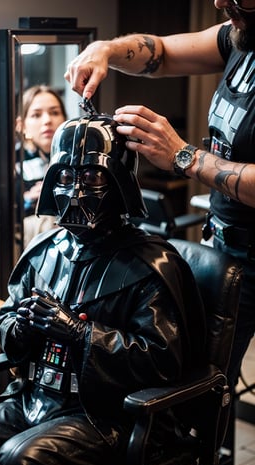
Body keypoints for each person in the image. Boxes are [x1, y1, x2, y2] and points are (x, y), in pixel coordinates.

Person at [0, 112, 207, 465]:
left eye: (91, 176)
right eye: (66, 177)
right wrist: (21, 327)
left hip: (105, 411)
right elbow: (6, 322)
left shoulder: (151, 265)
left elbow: (162, 360)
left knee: (19, 461)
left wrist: (81, 333)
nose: (75, 191)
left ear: (118, 182)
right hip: (35, 396)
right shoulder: (42, 251)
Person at [64, 0, 255, 402]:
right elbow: (162, 54)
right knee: (201, 381)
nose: (221, 3)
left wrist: (184, 156)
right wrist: (108, 51)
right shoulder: (240, 36)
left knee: (201, 394)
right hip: (226, 243)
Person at [15, 85, 67, 247]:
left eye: (54, 112)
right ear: (21, 125)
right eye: (36, 115)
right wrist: (27, 199)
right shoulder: (12, 161)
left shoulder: (75, 156)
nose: (47, 121)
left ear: (65, 119)